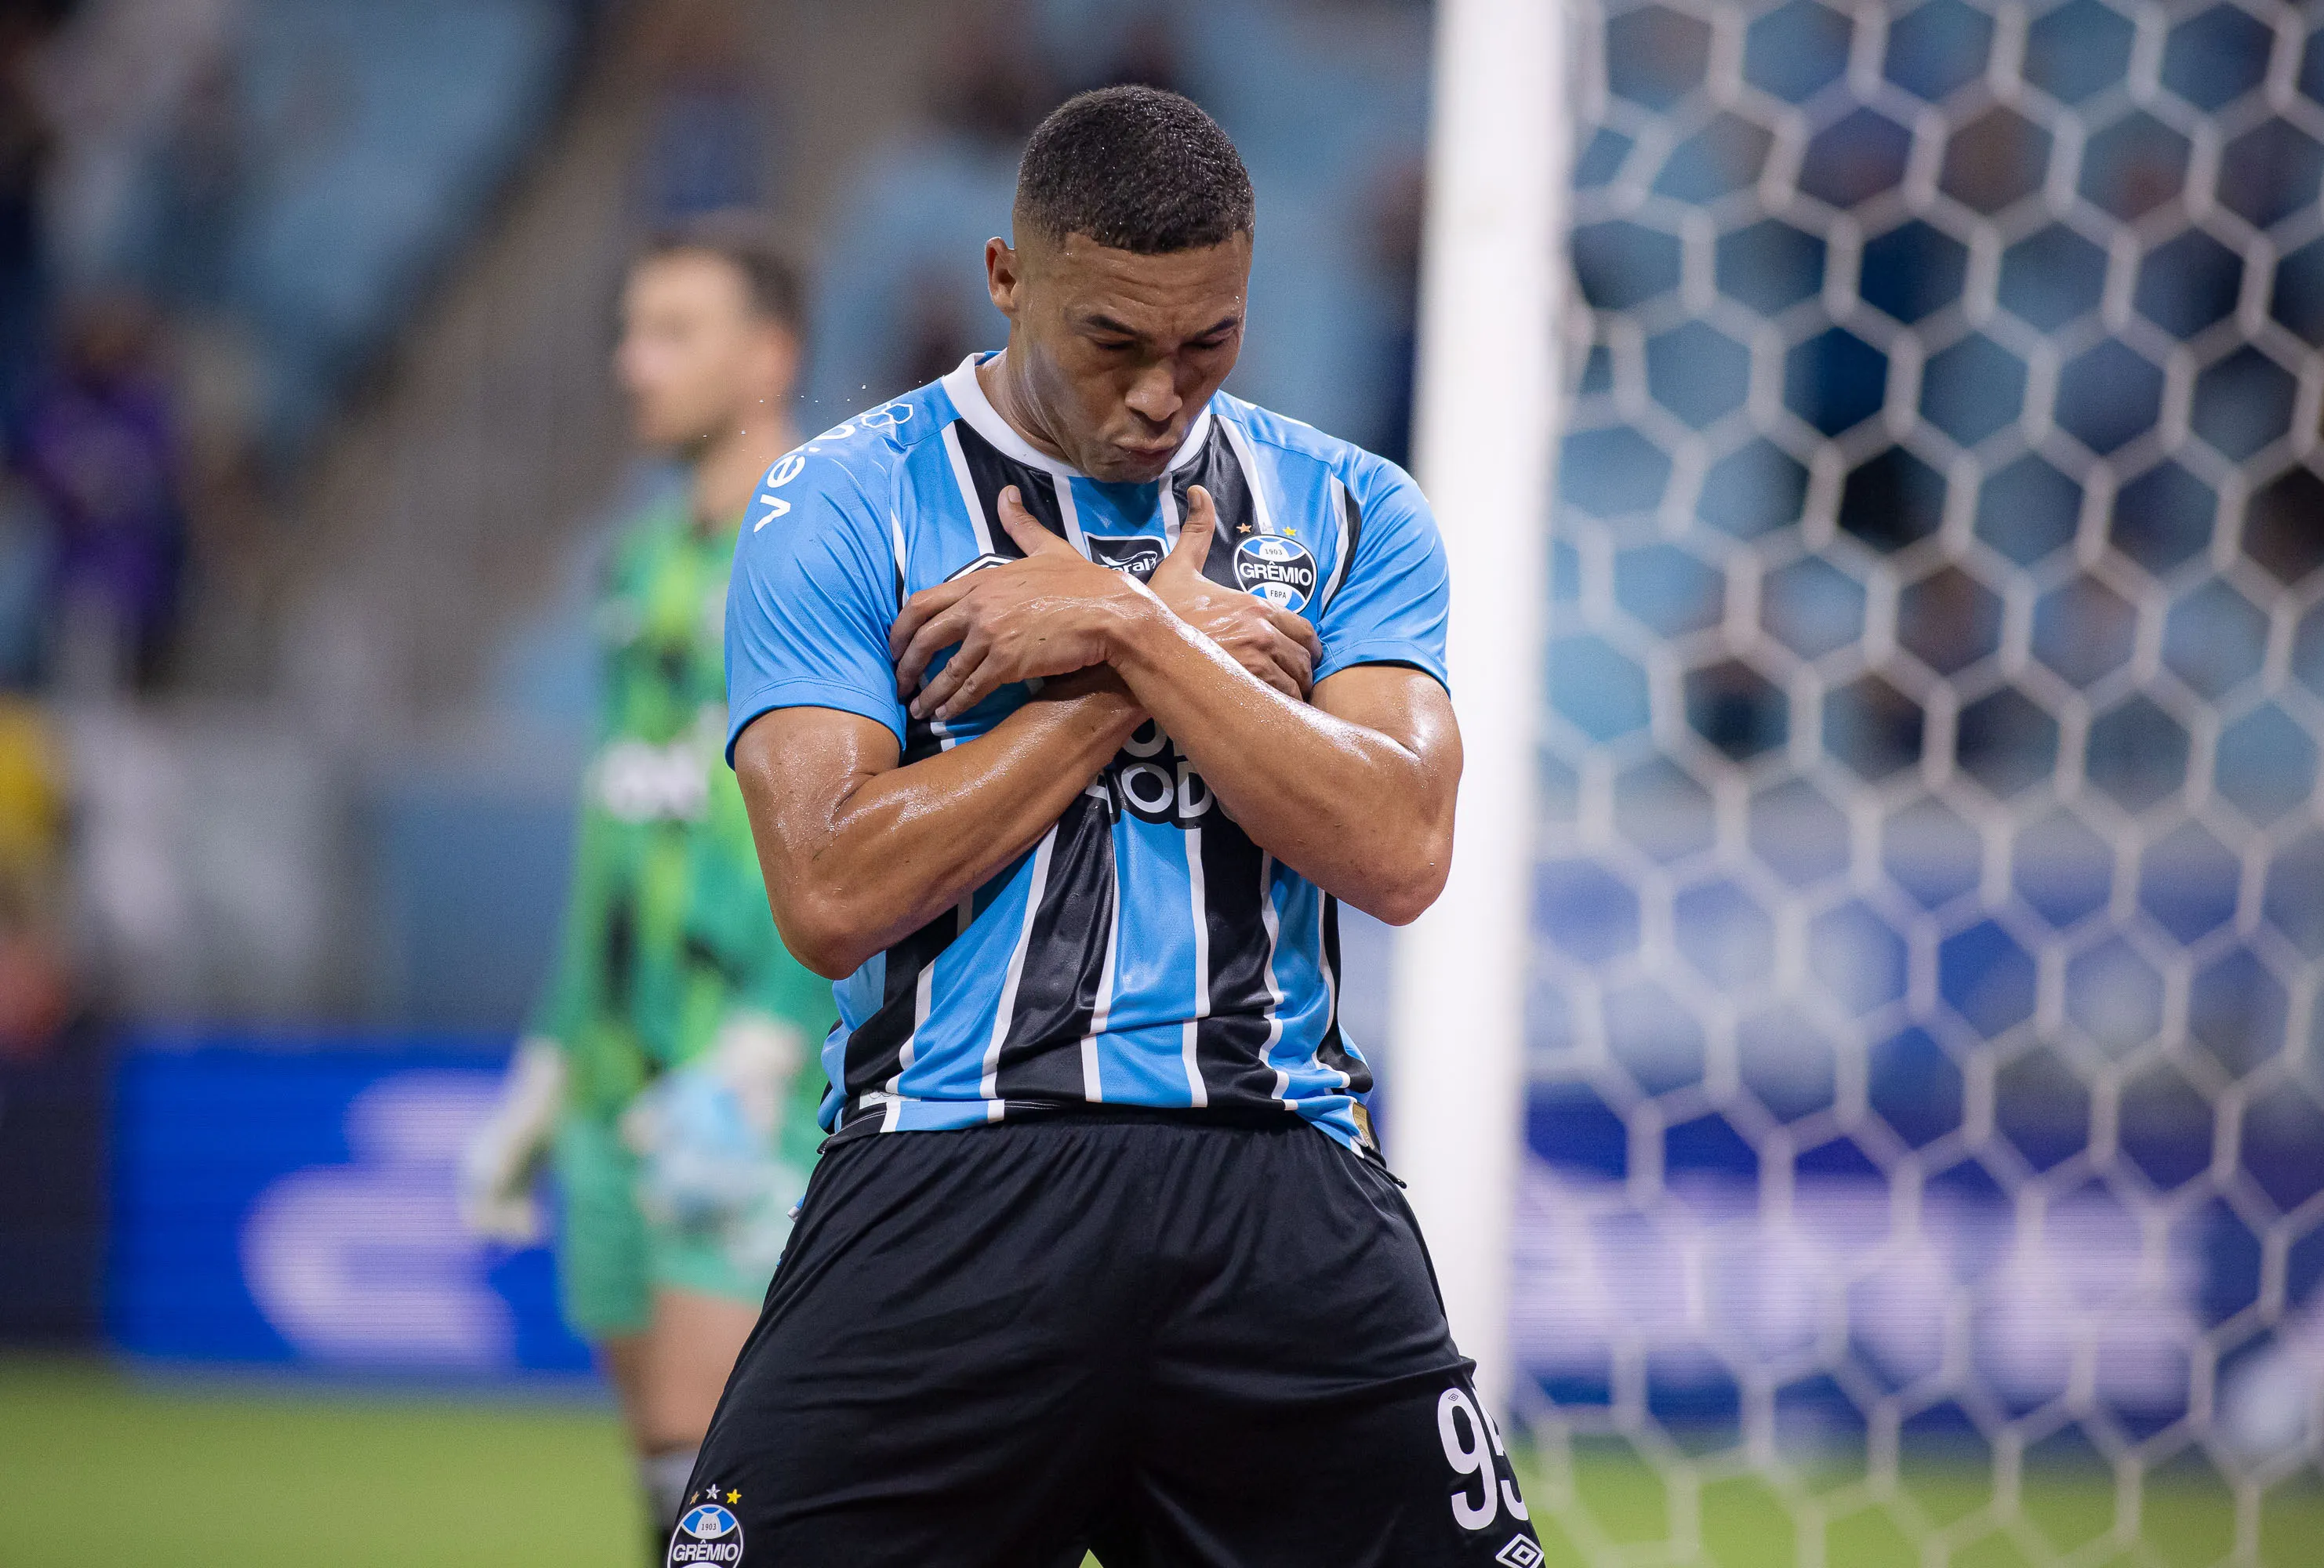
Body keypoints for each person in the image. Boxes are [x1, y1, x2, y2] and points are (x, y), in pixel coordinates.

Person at [692, 87, 1541, 1567]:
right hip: (952, 1170)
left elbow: (1403, 846)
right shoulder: (838, 503)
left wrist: (1125, 634)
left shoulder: (1350, 509)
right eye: (1115, 343)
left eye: (1208, 341)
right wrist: (1146, 660)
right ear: (1007, 279)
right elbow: (829, 890)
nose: (1165, 393)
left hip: (1276, 1173)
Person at [457, 212, 836, 1560]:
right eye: (631, 330)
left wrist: (764, 1039)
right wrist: (551, 1058)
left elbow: (840, 825)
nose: (633, 362)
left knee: (718, 1480)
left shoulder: (824, 553)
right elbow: (618, 829)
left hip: (754, 1087)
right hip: (618, 1081)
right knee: (668, 1487)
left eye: (675, 332)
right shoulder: (636, 564)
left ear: (768, 357)